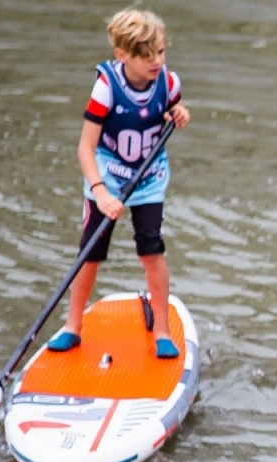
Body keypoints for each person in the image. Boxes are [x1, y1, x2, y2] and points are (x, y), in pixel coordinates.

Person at [45, 8, 190, 359]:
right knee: (90, 255)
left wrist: (179, 113)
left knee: (152, 252)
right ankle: (73, 327)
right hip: (106, 181)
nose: (157, 61)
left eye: (161, 52)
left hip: (149, 181)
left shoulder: (169, 82)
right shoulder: (106, 88)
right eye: (146, 56)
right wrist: (100, 193)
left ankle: (162, 331)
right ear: (122, 55)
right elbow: (85, 148)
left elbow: (171, 109)